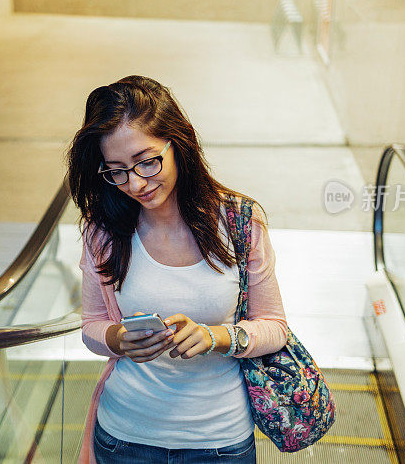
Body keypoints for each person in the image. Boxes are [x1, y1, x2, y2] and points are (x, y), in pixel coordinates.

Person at [66, 75, 288, 464]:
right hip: (124, 437)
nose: (135, 183)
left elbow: (274, 327)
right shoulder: (103, 231)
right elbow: (91, 326)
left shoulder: (239, 222)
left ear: (178, 144)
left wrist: (217, 337)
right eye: (116, 171)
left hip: (220, 442)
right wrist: (118, 339)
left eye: (147, 162)